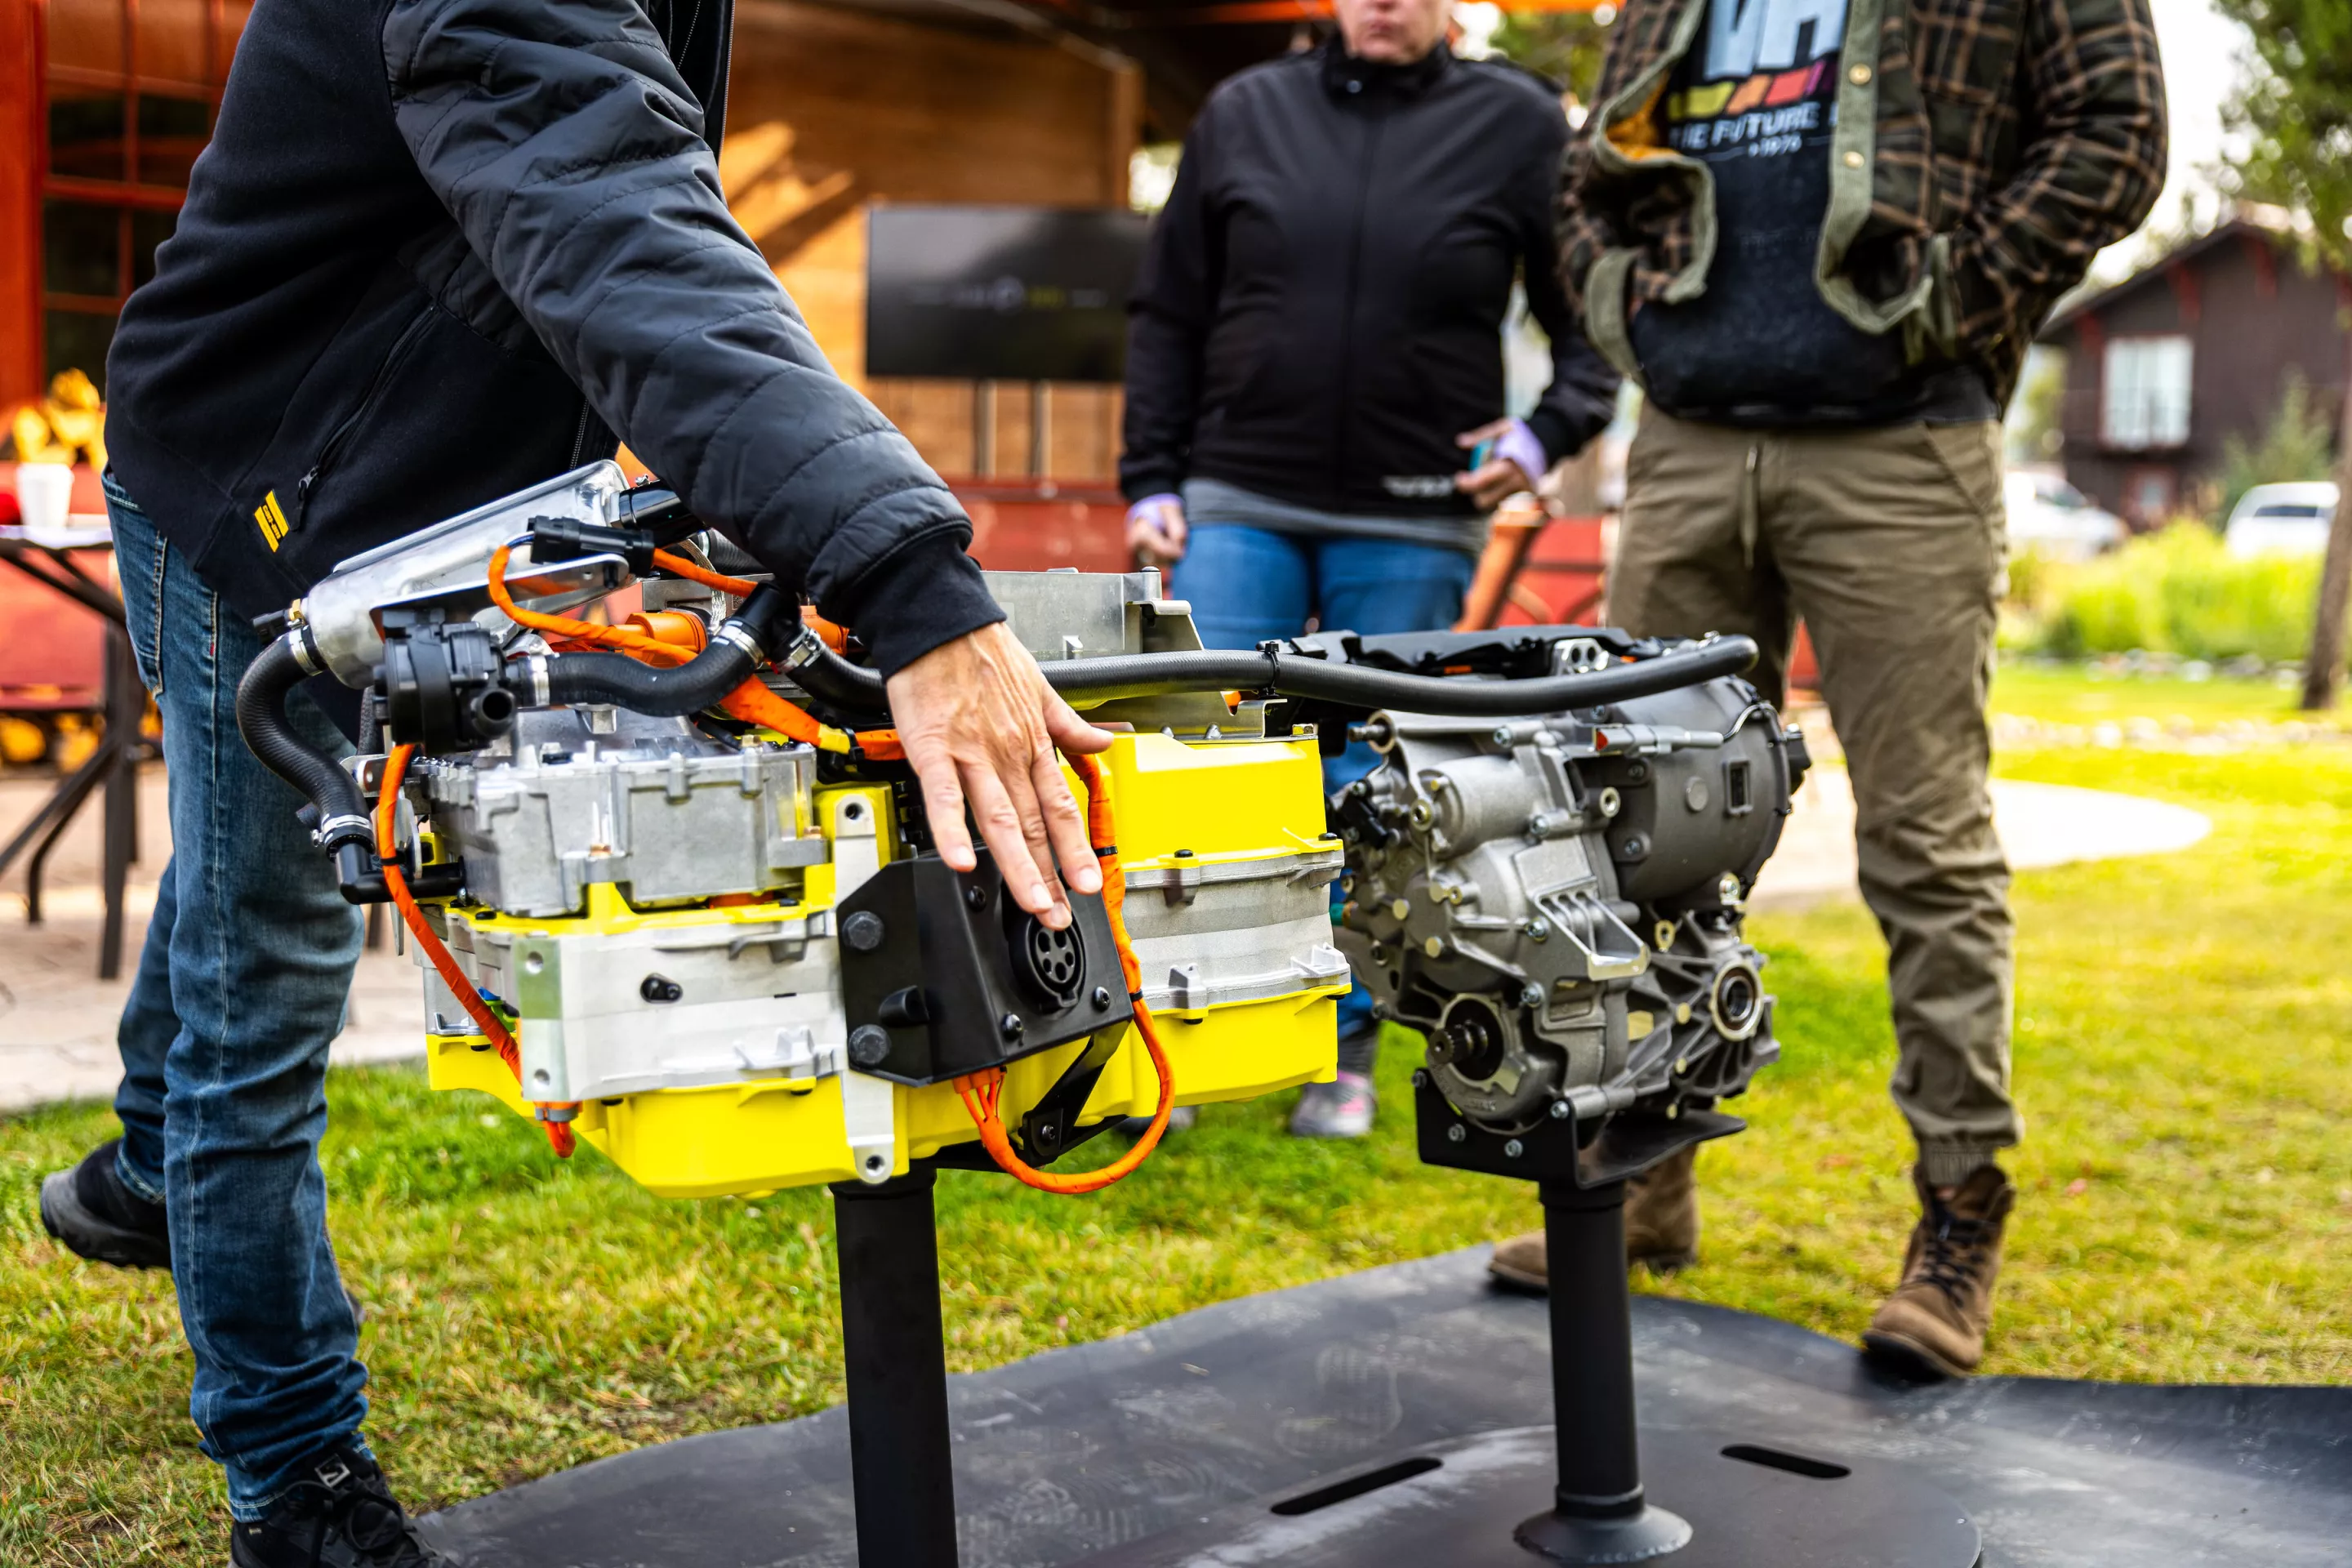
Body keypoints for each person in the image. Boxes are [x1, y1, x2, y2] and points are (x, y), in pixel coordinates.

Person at [31, 1, 1112, 1561]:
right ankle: (291, 1473)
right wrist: (911, 577)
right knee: (271, 962)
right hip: (256, 490)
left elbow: (594, 224)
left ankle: (151, 1165)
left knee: (238, 869)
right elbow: (612, 222)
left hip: (419, 490)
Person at [1484, 0, 2165, 1379]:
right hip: (1686, 441)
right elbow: (1584, 174)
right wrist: (1628, 312)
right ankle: (1638, 1173)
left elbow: (2122, 129)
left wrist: (1951, 297)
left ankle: (1959, 1216)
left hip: (1903, 445)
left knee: (1923, 839)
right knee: (1631, 832)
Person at [1120, 0, 1619, 1138]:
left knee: (1372, 787)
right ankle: (1181, 1036)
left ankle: (1338, 1052)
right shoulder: (1245, 111)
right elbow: (1168, 312)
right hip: (1237, 491)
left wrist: (1547, 433)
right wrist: (1152, 478)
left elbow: (1591, 314)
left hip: (1413, 515)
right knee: (1200, 761)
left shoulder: (1523, 121)